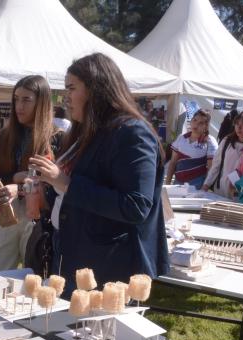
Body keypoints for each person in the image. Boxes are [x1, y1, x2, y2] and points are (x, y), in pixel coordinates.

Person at [29, 52, 169, 296]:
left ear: (95, 89)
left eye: (71, 88)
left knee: (95, 333)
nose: (66, 97)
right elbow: (74, 194)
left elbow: (136, 206)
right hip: (74, 253)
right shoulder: (86, 132)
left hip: (110, 267)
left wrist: (66, 183)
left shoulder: (132, 133)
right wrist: (47, 187)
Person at [0, 75, 61, 272]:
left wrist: (20, 186)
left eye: (26, 99)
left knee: (32, 279)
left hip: (39, 217)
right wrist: (11, 181)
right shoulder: (6, 136)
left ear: (41, 102)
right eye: (16, 99)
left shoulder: (56, 138)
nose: (19, 105)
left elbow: (55, 186)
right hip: (7, 214)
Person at [202, 113, 243, 198]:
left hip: (239, 193)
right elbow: (216, 165)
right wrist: (206, 185)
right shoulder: (227, 141)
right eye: (237, 124)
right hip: (221, 190)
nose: (239, 128)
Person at [164, 109, 218, 189]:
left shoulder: (210, 141)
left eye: (201, 123)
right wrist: (167, 184)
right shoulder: (181, 138)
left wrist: (204, 188)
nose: (196, 124)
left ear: (206, 126)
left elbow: (211, 169)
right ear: (191, 120)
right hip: (178, 183)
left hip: (197, 185)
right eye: (195, 120)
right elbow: (173, 162)